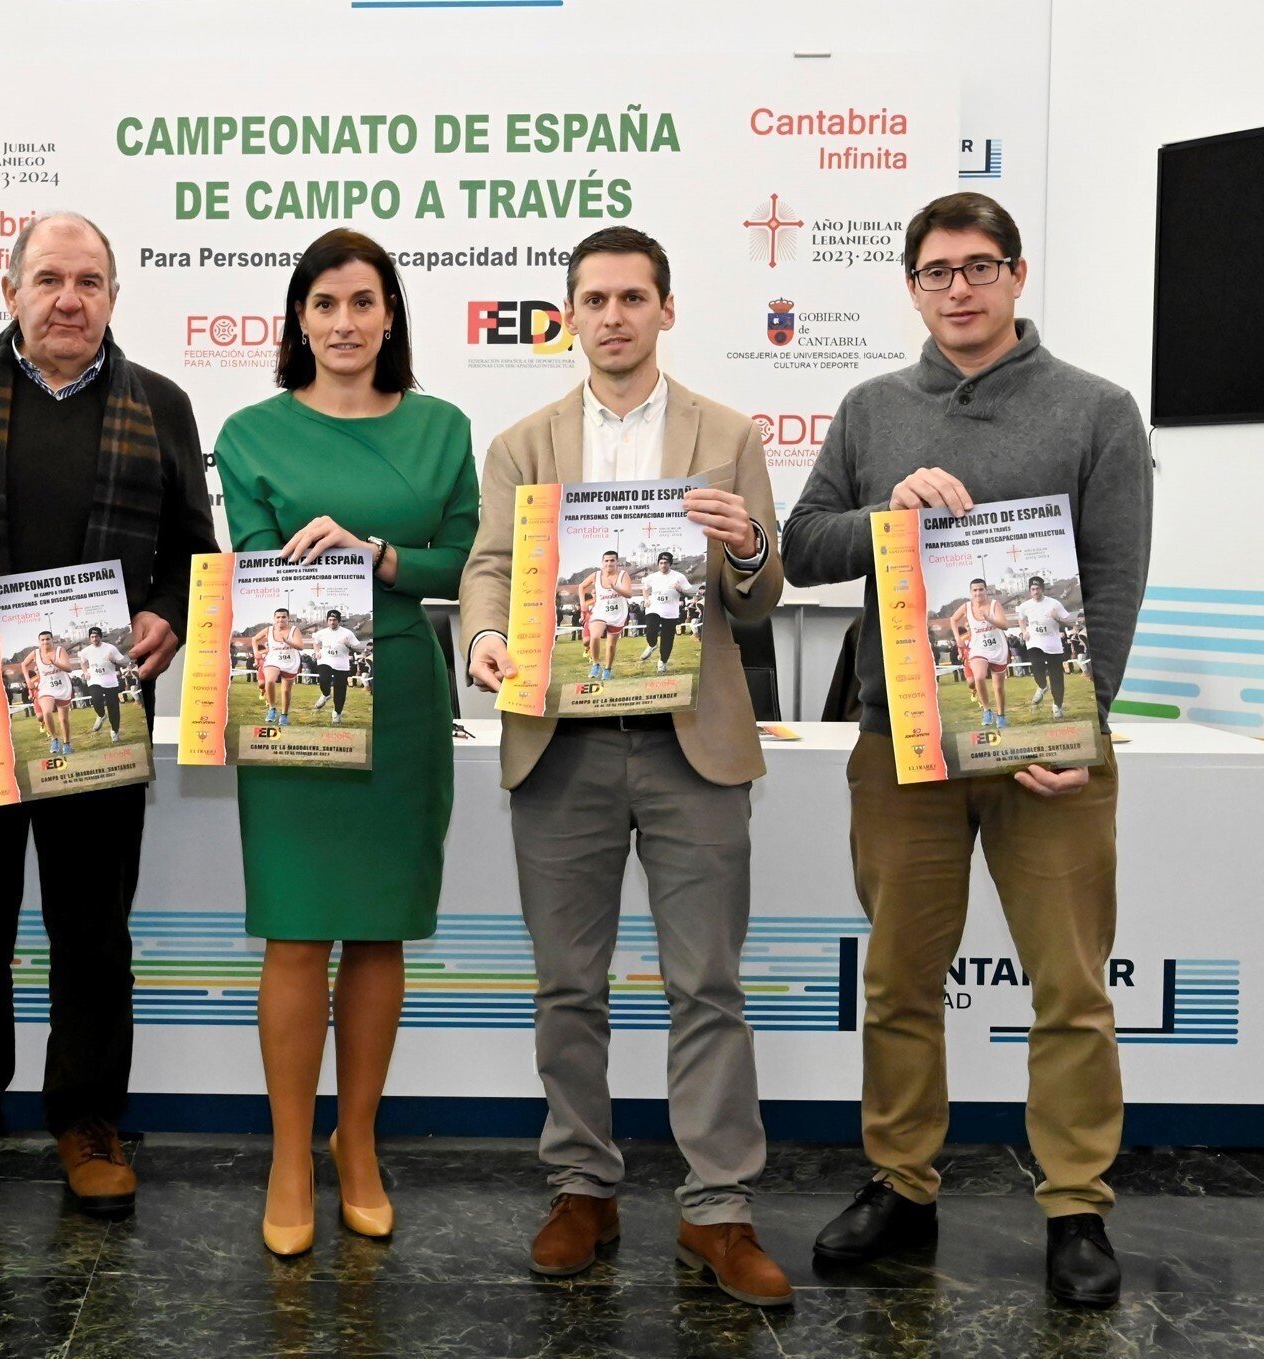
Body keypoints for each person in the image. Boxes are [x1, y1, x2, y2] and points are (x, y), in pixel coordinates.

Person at [781, 192, 1151, 1308]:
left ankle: (1076, 1205)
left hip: (1048, 752)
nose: (959, 288)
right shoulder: (870, 410)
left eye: (980, 266)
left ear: (1017, 275)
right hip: (902, 746)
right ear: (911, 287)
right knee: (899, 978)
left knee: (1071, 986)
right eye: (937, 271)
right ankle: (902, 1183)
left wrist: (1082, 723)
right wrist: (887, 517)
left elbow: (1115, 577)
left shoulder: (1097, 409)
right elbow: (802, 547)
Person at [0, 213, 218, 1225]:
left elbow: (195, 553)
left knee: (93, 928)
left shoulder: (161, 404)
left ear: (113, 297)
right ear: (10, 291)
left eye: (89, 281)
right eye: (50, 278)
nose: (69, 299)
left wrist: (169, 612)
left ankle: (88, 1121)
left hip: (98, 706)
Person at [461, 226, 790, 1305]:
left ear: (666, 309)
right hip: (562, 744)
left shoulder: (728, 433)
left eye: (632, 298)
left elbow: (759, 597)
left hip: (694, 745)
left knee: (708, 985)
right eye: (594, 300)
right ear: (569, 316)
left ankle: (719, 1209)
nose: (613, 316)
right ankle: (582, 1187)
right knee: (568, 984)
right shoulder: (522, 444)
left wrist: (747, 546)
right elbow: (490, 567)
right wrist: (485, 635)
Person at [213, 228, 477, 1257]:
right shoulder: (249, 433)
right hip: (290, 696)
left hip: (403, 689)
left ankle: (355, 1143)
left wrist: (381, 556)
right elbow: (249, 560)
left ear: (390, 314)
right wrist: (308, 571)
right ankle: (290, 1153)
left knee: (377, 932)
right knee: (294, 929)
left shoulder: (443, 427)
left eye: (363, 302)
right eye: (324, 304)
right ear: (298, 319)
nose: (344, 322)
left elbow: (467, 553)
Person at [950, 579, 1013, 727]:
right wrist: (957, 638)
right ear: (971, 592)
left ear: (986, 591)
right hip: (979, 648)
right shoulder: (966, 607)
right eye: (975, 590)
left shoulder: (994, 605)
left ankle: (1001, 715)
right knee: (978, 677)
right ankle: (987, 710)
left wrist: (989, 618)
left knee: (998, 687)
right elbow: (953, 620)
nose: (978, 593)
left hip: (998, 649)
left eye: (980, 589)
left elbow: (1005, 625)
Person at [1018, 576, 1077, 719]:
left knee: (1056, 677)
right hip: (1034, 642)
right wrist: (1024, 631)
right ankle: (1042, 685)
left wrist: (1057, 618)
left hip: (1052, 644)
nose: (1035, 592)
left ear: (1042, 589)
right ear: (1030, 591)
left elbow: (1070, 622)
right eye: (1033, 589)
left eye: (1038, 589)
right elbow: (1021, 618)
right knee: (1036, 666)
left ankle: (1057, 706)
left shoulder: (1054, 603)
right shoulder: (1025, 606)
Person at [638, 551, 696, 674]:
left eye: (666, 563)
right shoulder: (652, 577)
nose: (663, 565)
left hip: (670, 611)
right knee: (651, 630)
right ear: (658, 564)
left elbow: (690, 592)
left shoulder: (679, 577)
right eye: (661, 563)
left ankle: (662, 662)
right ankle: (652, 644)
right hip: (654, 608)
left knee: (667, 638)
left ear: (670, 564)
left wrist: (679, 589)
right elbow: (645, 588)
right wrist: (646, 599)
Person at [23, 629, 80, 755]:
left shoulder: (60, 651)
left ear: (52, 640)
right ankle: (54, 739)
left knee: (63, 719)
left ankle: (66, 743)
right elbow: (24, 664)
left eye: (48, 639)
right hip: (46, 688)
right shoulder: (35, 653)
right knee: (47, 712)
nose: (45, 642)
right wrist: (28, 680)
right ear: (39, 642)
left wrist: (54, 662)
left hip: (62, 688)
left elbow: (69, 669)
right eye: (42, 640)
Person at [579, 550, 633, 681]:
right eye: (606, 561)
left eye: (612, 560)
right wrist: (583, 604)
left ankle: (607, 669)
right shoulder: (596, 575)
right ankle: (595, 664)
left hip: (617, 614)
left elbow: (629, 594)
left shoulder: (623, 575)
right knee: (595, 636)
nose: (609, 563)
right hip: (600, 612)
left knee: (611, 645)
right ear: (602, 562)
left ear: (617, 562)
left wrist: (614, 587)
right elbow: (581, 586)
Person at [251, 608, 308, 728]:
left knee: (286, 691)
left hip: (290, 662)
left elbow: (301, 646)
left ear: (288, 618)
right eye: (278, 617)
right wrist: (256, 653)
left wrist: (287, 641)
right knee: (270, 680)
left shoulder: (294, 630)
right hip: (273, 660)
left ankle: (284, 715)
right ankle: (272, 708)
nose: (280, 619)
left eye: (283, 617)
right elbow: (254, 639)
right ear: (274, 618)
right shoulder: (269, 629)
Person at [310, 609, 368, 724]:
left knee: (340, 689)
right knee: (323, 679)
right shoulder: (322, 632)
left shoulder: (347, 633)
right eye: (330, 620)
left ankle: (337, 713)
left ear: (339, 621)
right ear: (327, 621)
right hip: (325, 660)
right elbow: (315, 641)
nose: (332, 622)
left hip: (341, 663)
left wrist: (348, 645)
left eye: (334, 620)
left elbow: (359, 648)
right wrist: (317, 652)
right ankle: (326, 694)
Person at [79, 625, 135, 740]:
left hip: (110, 680)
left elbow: (124, 662)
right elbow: (83, 662)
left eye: (96, 636)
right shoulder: (86, 651)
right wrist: (85, 672)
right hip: (94, 680)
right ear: (89, 638)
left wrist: (113, 660)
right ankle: (101, 715)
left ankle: (115, 731)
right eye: (92, 637)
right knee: (96, 699)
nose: (94, 639)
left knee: (113, 707)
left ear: (100, 637)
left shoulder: (110, 648)